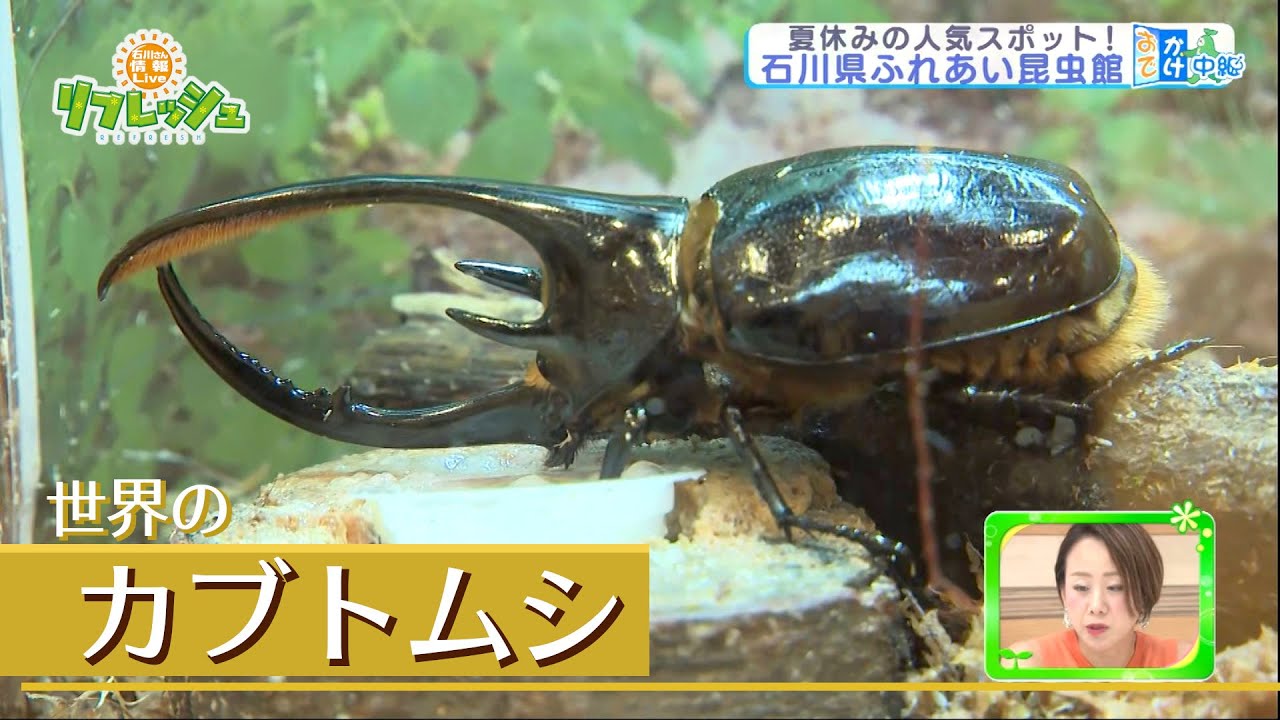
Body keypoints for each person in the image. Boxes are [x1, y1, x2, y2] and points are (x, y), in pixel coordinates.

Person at [1003, 523, 1195, 669]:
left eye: (1115, 587)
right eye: (1081, 587)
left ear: (1144, 593)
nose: (1096, 606)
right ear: (1063, 591)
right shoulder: (1024, 662)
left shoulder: (1183, 661)